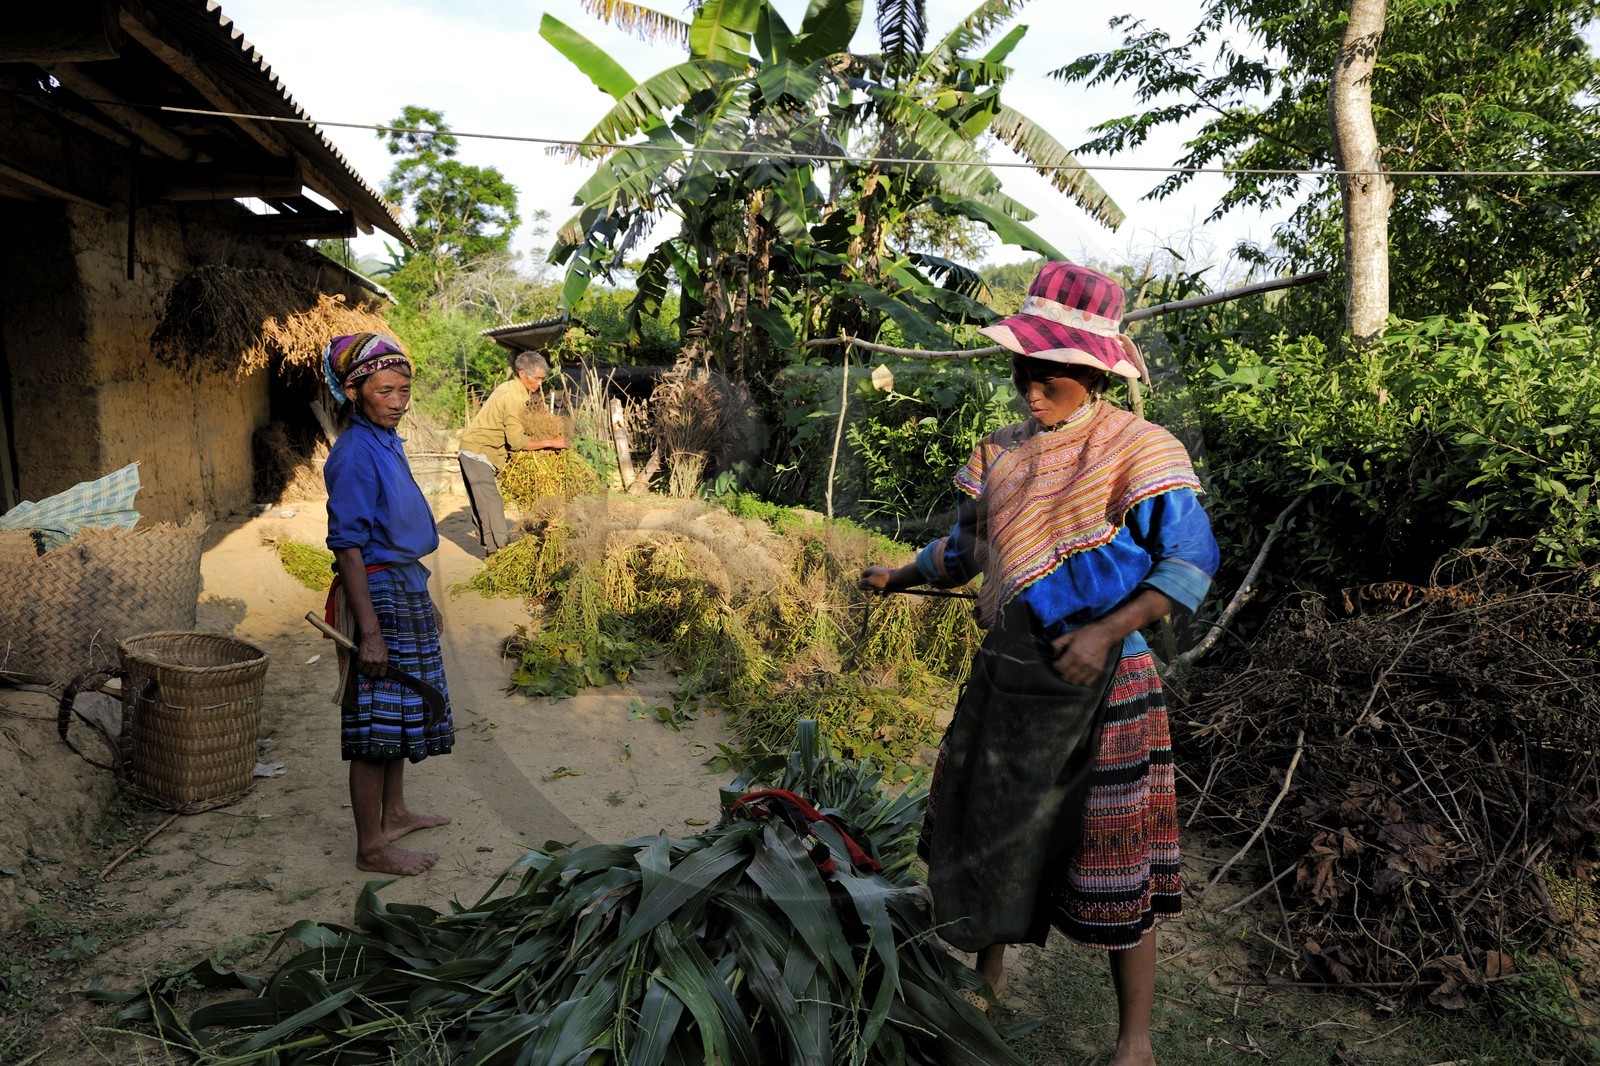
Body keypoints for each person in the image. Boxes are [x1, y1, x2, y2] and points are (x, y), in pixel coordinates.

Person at [859, 262, 1218, 1066]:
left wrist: (1104, 631)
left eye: (1050, 368)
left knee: (1112, 848)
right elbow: (969, 549)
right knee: (994, 825)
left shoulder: (1137, 448)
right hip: (1009, 676)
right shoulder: (1002, 453)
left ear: (1094, 369)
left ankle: (1134, 1040)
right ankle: (988, 975)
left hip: (1106, 684)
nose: (1031, 383)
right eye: (1024, 364)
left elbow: (1190, 561)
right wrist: (903, 574)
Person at [322, 332, 454, 876]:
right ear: (354, 392)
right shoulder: (353, 454)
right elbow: (349, 546)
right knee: (376, 720)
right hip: (376, 594)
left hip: (404, 586)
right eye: (385, 391)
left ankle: (394, 812)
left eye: (404, 390)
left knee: (402, 707)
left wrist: (423, 597)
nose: (398, 401)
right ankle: (370, 846)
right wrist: (370, 632)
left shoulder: (386, 440)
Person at [456, 351, 568, 554]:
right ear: (523, 374)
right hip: (478, 452)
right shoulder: (513, 396)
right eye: (538, 378)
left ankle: (492, 550)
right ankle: (501, 549)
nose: (540, 383)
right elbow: (517, 442)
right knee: (491, 503)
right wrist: (551, 442)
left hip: (476, 450)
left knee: (484, 502)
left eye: (543, 378)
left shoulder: (511, 388)